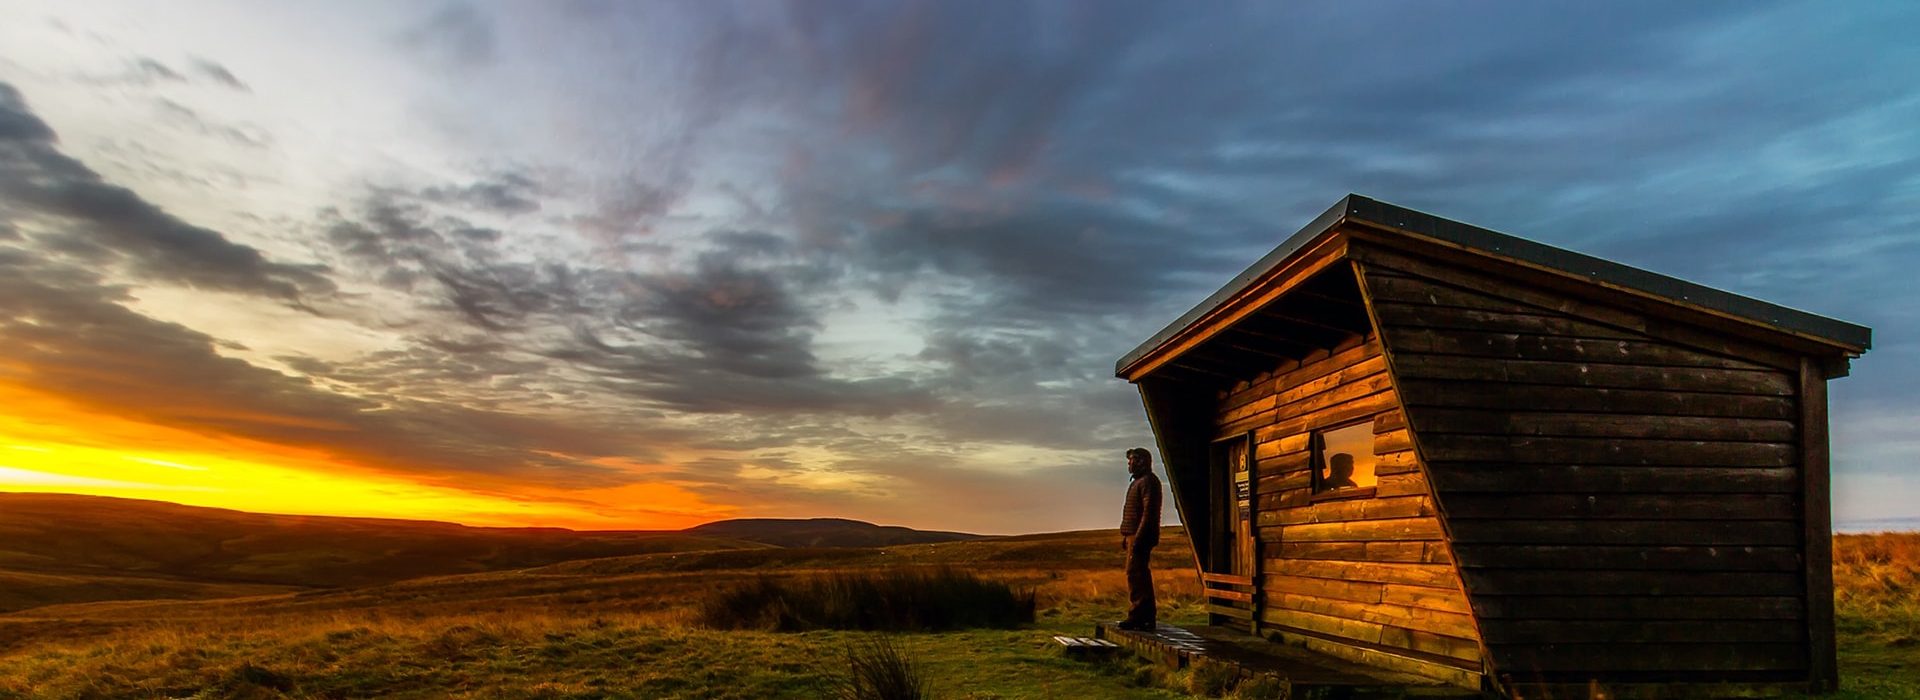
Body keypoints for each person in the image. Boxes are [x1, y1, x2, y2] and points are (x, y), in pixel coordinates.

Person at [1118, 447, 1162, 631]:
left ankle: (1138, 616)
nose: (1129, 464)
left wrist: (1138, 538)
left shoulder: (1148, 482)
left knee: (1136, 575)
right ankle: (1144, 617)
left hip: (1140, 535)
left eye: (1132, 461)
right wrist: (1126, 534)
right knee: (1137, 574)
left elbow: (1148, 513)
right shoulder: (1140, 482)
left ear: (1142, 461)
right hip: (1134, 534)